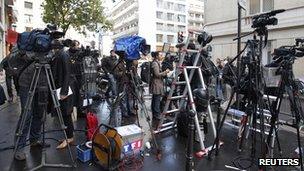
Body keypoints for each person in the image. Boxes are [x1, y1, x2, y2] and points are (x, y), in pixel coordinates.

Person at [14, 51, 50, 161]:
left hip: (42, 83)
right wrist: (30, 55)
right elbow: (12, 59)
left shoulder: (49, 47)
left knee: (39, 112)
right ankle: (19, 147)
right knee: (27, 114)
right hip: (26, 84)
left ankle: (35, 139)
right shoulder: (26, 44)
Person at [50, 41, 74, 149]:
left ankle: (69, 137)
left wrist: (64, 91)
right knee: (64, 114)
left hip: (63, 89)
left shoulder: (63, 55)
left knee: (66, 113)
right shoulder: (59, 54)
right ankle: (68, 136)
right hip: (60, 88)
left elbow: (67, 73)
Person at [150, 51, 170, 123]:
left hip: (157, 83)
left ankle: (155, 113)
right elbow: (157, 74)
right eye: (160, 55)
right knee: (157, 99)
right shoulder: (155, 63)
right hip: (156, 84)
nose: (161, 56)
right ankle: (157, 114)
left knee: (155, 99)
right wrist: (165, 72)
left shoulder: (156, 62)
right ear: (156, 56)